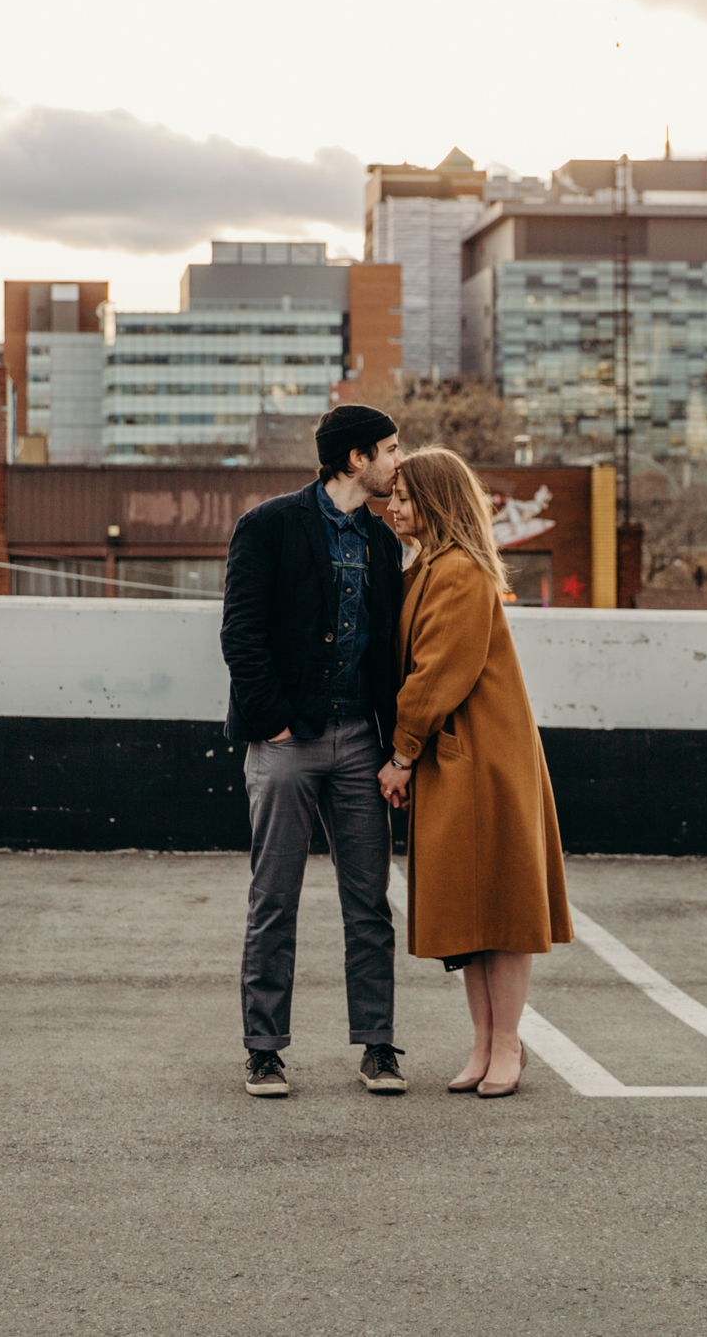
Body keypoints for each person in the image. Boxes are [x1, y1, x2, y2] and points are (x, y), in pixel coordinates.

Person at [220, 404, 410, 1099]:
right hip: (286, 743)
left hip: (362, 741)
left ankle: (379, 1047)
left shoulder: (384, 542)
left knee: (370, 902)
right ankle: (264, 1050)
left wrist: (396, 746)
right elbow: (241, 634)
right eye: (389, 449)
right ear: (354, 458)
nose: (399, 460)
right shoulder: (268, 526)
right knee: (274, 899)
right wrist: (271, 726)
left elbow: (392, 651)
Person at [377, 447, 572, 1098]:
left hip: (481, 761)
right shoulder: (435, 567)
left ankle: (507, 1045)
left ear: (434, 502)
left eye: (404, 496)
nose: (393, 506)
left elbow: (439, 674)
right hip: (464, 758)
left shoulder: (456, 572)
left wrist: (402, 755)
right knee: (475, 909)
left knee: (501, 910)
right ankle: (487, 1044)